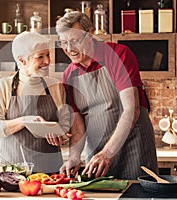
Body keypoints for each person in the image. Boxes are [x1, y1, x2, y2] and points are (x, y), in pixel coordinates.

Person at [55, 11, 158, 180]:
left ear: (90, 34)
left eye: (74, 41)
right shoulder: (69, 75)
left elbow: (131, 110)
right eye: (63, 43)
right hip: (96, 153)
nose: (69, 49)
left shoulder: (118, 55)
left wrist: (107, 153)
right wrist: (74, 157)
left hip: (134, 146)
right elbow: (78, 123)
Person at [0, 31, 71, 173]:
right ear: (22, 60)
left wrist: (61, 135)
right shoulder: (3, 86)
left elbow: (66, 125)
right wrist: (25, 121)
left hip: (51, 172)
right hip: (13, 172)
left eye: (48, 55)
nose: (48, 61)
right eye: (40, 57)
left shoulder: (56, 86)